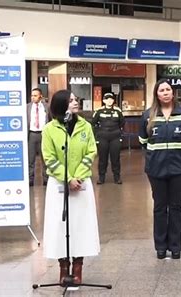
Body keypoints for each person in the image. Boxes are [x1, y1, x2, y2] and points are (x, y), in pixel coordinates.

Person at [41, 90, 100, 286]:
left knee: (80, 225)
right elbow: (49, 158)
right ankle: (64, 267)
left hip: (82, 184)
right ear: (61, 105)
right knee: (60, 225)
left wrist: (78, 177)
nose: (76, 102)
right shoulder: (49, 129)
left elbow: (91, 151)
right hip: (58, 185)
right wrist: (67, 179)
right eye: (71, 100)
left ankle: (78, 268)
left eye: (76, 99)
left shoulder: (86, 126)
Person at [139, 79, 181, 260]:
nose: (165, 93)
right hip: (155, 168)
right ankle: (161, 246)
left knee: (176, 206)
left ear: (173, 92)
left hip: (179, 167)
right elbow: (143, 141)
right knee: (160, 207)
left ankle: (176, 246)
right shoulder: (148, 115)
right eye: (161, 90)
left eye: (168, 89)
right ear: (156, 94)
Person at [92, 93, 125, 185]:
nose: (109, 101)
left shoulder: (118, 111)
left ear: (113, 100)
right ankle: (101, 177)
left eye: (111, 99)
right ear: (104, 101)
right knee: (103, 158)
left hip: (115, 137)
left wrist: (118, 132)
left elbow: (122, 123)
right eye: (107, 99)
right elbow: (93, 123)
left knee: (115, 158)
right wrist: (97, 134)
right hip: (102, 137)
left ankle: (117, 177)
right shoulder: (99, 111)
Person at [27, 88, 50, 186]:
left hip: (43, 134)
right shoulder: (27, 107)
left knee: (45, 158)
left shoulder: (46, 107)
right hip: (32, 134)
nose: (33, 97)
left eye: (35, 95)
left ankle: (46, 179)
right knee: (30, 159)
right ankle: (30, 179)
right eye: (32, 95)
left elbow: (51, 120)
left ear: (40, 96)